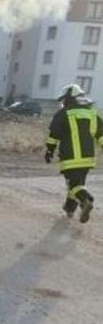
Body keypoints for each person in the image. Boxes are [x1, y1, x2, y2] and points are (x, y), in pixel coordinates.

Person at [46, 84, 102, 223]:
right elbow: (101, 136)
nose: (63, 102)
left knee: (73, 185)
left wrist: (49, 150)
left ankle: (86, 200)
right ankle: (69, 209)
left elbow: (54, 135)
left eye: (64, 99)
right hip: (88, 159)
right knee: (77, 184)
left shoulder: (64, 114)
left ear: (70, 98)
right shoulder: (93, 114)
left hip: (70, 158)